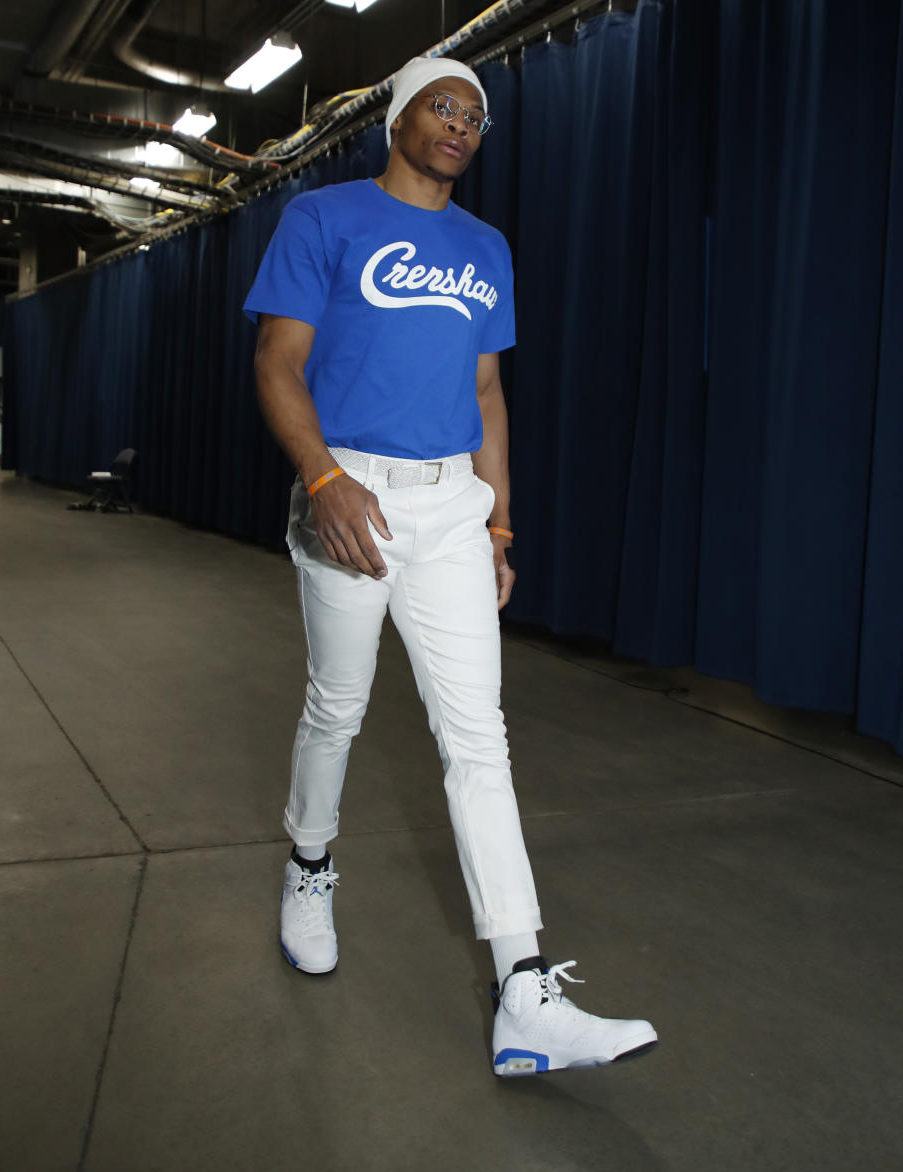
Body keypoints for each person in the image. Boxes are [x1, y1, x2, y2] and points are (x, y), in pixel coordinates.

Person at [244, 55, 657, 1076]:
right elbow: (276, 362)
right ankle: (309, 863)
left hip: (451, 509)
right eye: (443, 106)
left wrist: (500, 526)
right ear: (397, 118)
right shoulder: (323, 219)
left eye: (476, 116)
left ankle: (523, 988)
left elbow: (486, 395)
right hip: (351, 498)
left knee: (480, 737)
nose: (462, 125)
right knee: (337, 706)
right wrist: (322, 476)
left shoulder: (487, 248)